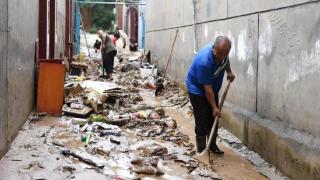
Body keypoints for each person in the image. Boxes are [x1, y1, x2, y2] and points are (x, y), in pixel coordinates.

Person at [185, 36, 235, 155]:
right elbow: (207, 89)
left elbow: (226, 60)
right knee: (202, 118)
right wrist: (214, 107)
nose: (222, 57)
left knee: (213, 119)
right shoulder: (204, 62)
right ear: (213, 48)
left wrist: (229, 71)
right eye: (219, 53)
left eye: (225, 53)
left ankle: (212, 145)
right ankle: (201, 150)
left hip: (212, 88)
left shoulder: (223, 53)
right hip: (197, 88)